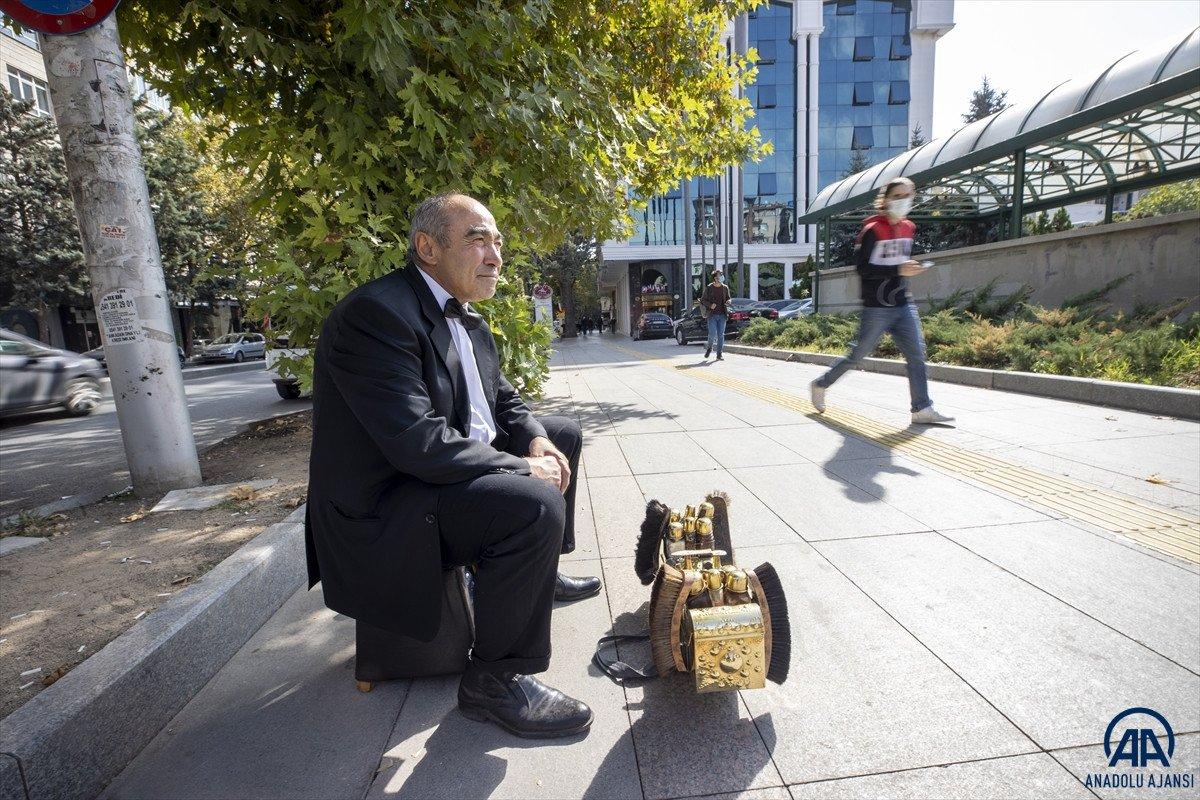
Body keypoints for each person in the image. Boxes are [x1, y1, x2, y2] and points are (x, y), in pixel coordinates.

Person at [306, 193, 600, 739]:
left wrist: (535, 442)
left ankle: (536, 575)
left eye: (498, 243)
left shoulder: (465, 316)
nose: (495, 256)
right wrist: (521, 470)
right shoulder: (375, 316)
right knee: (534, 504)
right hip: (390, 504)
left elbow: (502, 399)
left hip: (431, 477)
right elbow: (417, 443)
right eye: (478, 240)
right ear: (428, 247)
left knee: (562, 436)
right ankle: (493, 681)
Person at [810, 177, 954, 425]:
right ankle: (820, 384)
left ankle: (921, 408)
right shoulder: (872, 230)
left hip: (903, 303)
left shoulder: (909, 228)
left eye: (907, 195)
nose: (903, 200)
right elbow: (863, 269)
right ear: (885, 200)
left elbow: (897, 264)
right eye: (897, 196)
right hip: (876, 306)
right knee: (857, 355)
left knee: (917, 355)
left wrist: (908, 269)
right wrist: (898, 270)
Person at [700, 267, 731, 360]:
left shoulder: (725, 288)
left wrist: (729, 301)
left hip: (722, 315)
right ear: (715, 278)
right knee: (712, 334)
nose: (721, 277)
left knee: (721, 335)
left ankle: (719, 354)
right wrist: (710, 305)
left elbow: (728, 298)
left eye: (721, 275)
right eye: (719, 276)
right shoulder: (709, 288)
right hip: (712, 315)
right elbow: (703, 300)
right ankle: (709, 348)